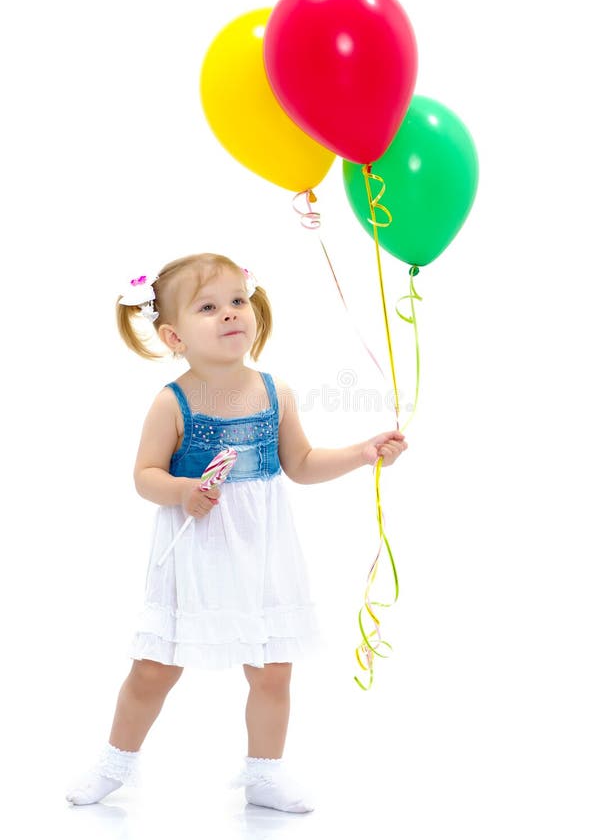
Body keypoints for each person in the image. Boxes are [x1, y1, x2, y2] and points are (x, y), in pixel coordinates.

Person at [65, 252, 408, 813]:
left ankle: (265, 774)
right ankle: (113, 762)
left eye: (237, 301)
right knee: (155, 669)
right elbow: (144, 477)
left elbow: (299, 464)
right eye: (209, 307)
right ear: (174, 334)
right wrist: (182, 491)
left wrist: (361, 453)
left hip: (263, 548)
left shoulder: (277, 393)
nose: (230, 314)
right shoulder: (171, 402)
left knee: (273, 670)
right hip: (196, 548)